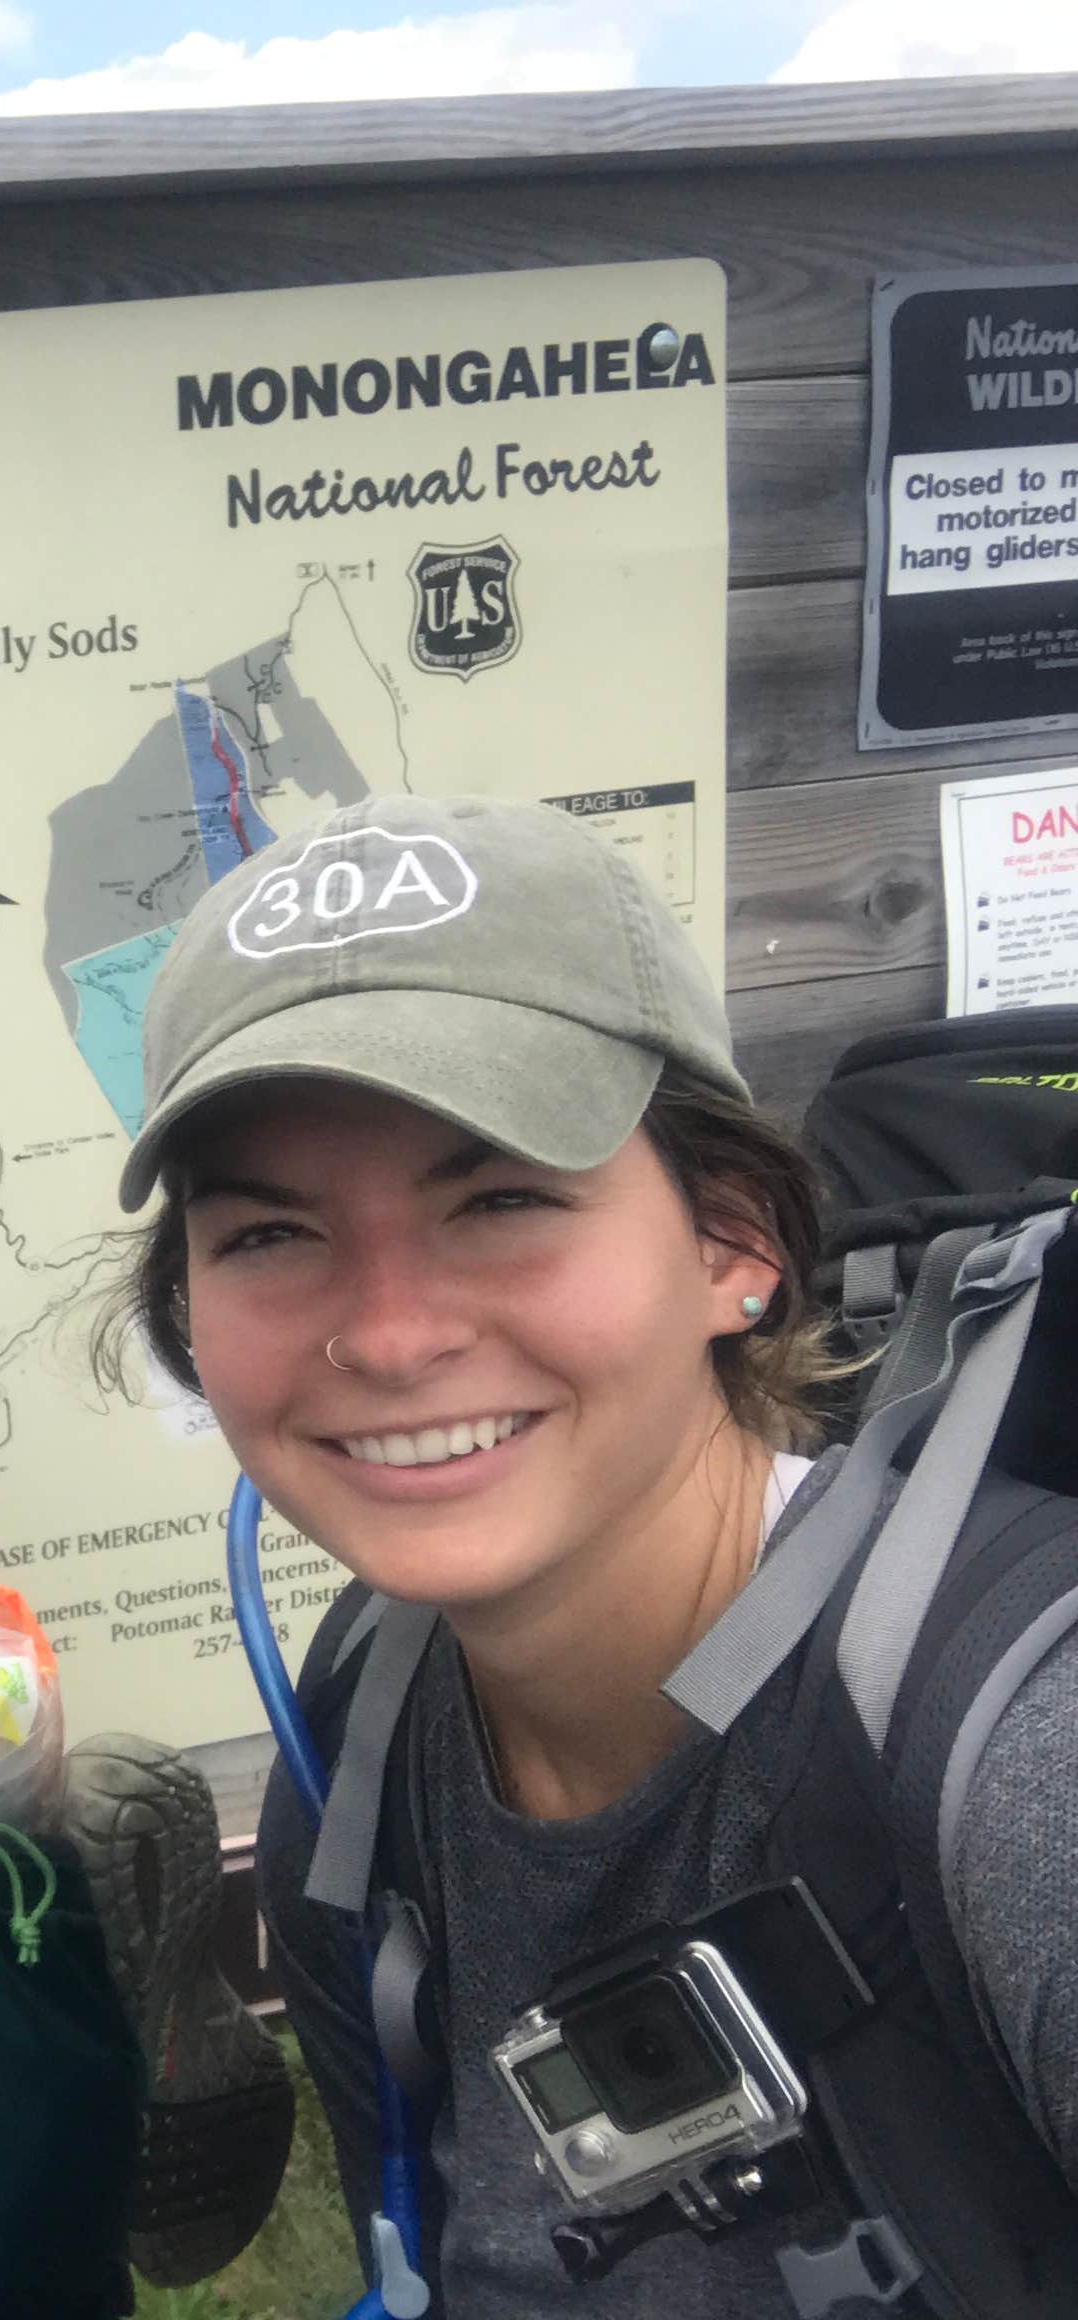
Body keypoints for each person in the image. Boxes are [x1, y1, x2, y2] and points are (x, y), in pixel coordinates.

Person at [100, 794, 1078, 2315]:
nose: (390, 1334)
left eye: (498, 1200)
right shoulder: (361, 1755)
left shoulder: (1023, 1775)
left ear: (735, 1244)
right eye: (271, 1236)